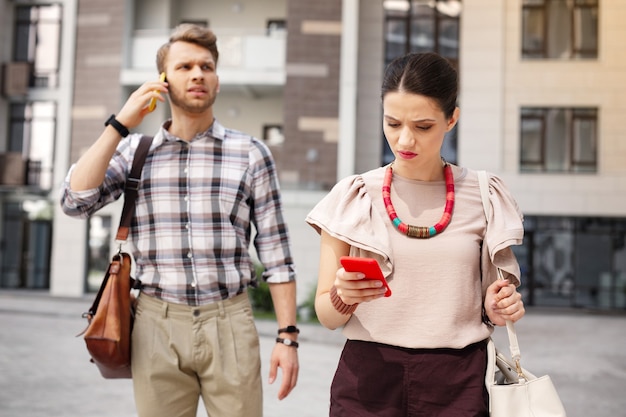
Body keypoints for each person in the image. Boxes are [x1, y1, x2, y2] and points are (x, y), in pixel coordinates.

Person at [60, 24, 299, 417]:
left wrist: (287, 338)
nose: (198, 74)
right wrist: (120, 124)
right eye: (185, 65)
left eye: (206, 66)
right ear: (163, 81)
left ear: (217, 80)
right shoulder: (135, 151)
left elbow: (276, 252)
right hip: (155, 323)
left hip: (231, 322)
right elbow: (74, 201)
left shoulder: (251, 153)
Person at [305, 52, 525, 417]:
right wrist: (344, 296)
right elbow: (327, 317)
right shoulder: (354, 195)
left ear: (452, 119)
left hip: (458, 380)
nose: (404, 140)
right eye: (392, 123)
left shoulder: (484, 195)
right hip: (367, 378)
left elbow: (490, 305)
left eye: (423, 126)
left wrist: (498, 307)